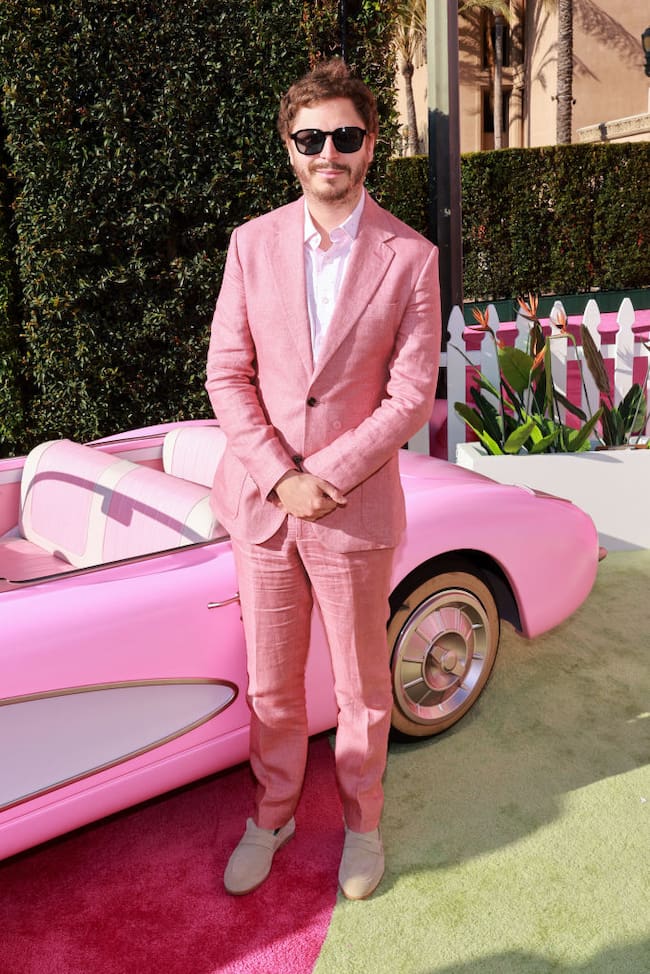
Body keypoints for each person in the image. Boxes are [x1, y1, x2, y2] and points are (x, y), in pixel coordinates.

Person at [205, 57, 441, 900]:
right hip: (265, 510)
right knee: (271, 687)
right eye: (312, 138)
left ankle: (363, 825)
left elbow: (411, 392)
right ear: (290, 148)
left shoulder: (410, 257)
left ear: (370, 146)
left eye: (345, 136)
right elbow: (226, 374)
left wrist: (324, 475)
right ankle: (272, 815)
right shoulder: (250, 244)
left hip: (352, 509)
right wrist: (279, 476)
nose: (328, 152)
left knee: (362, 686)